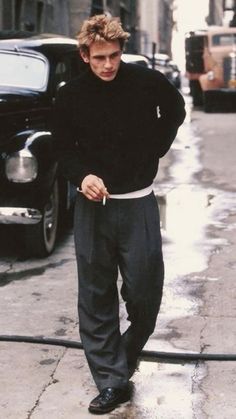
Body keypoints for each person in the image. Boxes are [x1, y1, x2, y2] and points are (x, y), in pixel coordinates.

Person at [52, 14, 186, 415]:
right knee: (95, 298)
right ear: (84, 56)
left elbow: (176, 108)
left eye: (113, 56)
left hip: (139, 202)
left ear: (121, 51)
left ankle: (121, 359)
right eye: (98, 58)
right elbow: (62, 147)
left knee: (145, 292)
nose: (107, 65)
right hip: (94, 209)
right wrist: (82, 175)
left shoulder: (145, 82)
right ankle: (111, 382)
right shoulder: (70, 95)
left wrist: (154, 150)